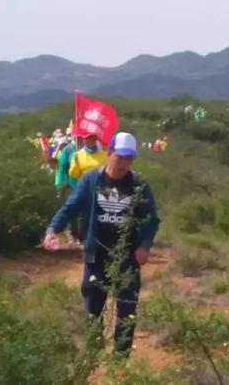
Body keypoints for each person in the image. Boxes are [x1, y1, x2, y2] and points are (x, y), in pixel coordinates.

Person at [44, 132, 160, 355]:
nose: (124, 163)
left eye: (129, 159)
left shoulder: (139, 184)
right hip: (96, 254)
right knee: (92, 303)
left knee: (127, 307)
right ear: (109, 153)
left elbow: (151, 219)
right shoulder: (91, 180)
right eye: (120, 157)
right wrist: (52, 230)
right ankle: (93, 352)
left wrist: (145, 246)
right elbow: (70, 207)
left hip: (126, 256)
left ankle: (121, 356)